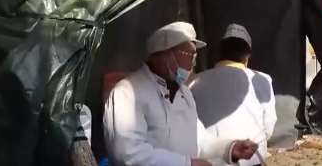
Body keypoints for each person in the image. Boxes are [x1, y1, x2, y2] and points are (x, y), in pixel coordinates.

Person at [103, 21, 258, 166]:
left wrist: (230, 148)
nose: (193, 63)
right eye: (191, 55)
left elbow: (200, 142)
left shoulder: (184, 93)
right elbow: (127, 152)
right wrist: (186, 163)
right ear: (167, 55)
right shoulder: (128, 93)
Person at [190, 24, 276, 166]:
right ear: (247, 57)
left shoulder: (195, 81)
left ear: (220, 54)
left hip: (211, 160)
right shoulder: (262, 80)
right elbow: (268, 128)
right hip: (250, 159)